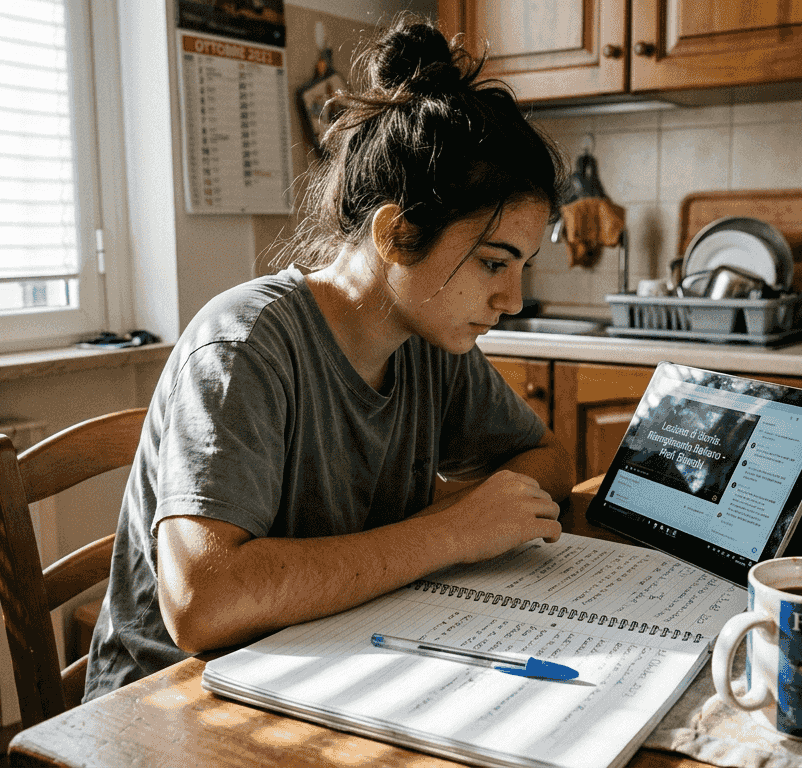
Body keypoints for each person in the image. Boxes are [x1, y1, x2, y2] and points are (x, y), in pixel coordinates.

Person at [83, 14, 574, 700]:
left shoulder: (429, 342)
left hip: (336, 661)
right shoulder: (246, 346)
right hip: (177, 701)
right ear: (398, 233)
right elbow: (202, 603)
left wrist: (466, 516)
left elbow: (548, 462)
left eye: (523, 266)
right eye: (495, 262)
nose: (513, 299)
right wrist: (450, 530)